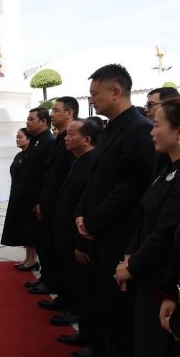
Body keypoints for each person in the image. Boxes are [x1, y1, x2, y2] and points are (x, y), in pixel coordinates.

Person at [75, 64, 155, 357]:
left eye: (95, 94)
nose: (92, 99)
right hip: (98, 232)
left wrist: (93, 221)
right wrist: (81, 215)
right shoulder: (111, 128)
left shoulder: (139, 129)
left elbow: (130, 189)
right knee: (102, 302)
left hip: (119, 236)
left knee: (119, 311)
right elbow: (95, 178)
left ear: (116, 92)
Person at [114, 97, 180, 357]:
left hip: (163, 276)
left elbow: (165, 232)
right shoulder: (166, 167)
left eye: (157, 125)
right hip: (147, 272)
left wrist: (131, 267)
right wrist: (130, 255)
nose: (152, 132)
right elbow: (145, 217)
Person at [52, 119, 103, 356]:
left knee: (86, 289)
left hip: (81, 237)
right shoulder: (78, 159)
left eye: (71, 134)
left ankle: (91, 337)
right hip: (67, 232)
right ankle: (84, 331)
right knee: (76, 282)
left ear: (87, 139)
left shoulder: (94, 162)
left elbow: (88, 203)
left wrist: (81, 242)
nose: (66, 138)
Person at [33, 96, 77, 302]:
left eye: (56, 111)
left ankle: (64, 294)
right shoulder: (59, 137)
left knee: (61, 252)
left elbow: (68, 177)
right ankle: (50, 280)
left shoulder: (72, 138)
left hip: (62, 206)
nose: (52, 114)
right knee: (48, 246)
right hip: (50, 203)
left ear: (69, 113)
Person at [17, 108, 54, 284]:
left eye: (31, 119)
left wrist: (41, 201)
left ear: (43, 122)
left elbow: (48, 175)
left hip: (37, 201)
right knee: (35, 238)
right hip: (28, 199)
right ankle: (45, 277)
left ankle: (48, 278)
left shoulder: (48, 142)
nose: (28, 122)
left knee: (43, 242)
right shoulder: (37, 141)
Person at [1, 128, 38, 267]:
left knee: (29, 229)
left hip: (28, 198)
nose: (17, 139)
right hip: (17, 196)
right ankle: (28, 257)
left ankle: (33, 260)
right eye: (16, 137)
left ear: (29, 139)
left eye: (20, 137)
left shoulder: (32, 155)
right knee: (22, 228)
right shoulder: (19, 155)